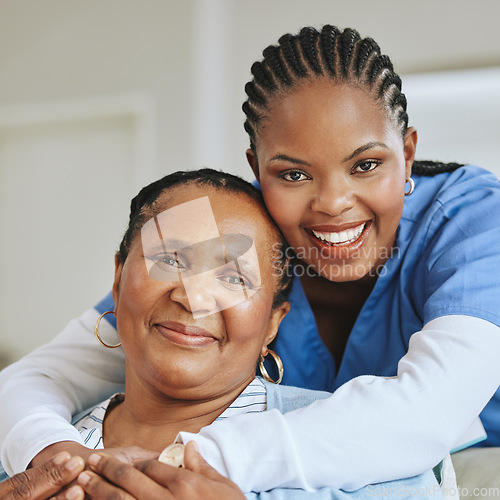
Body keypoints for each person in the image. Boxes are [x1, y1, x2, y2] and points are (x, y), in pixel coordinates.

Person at [1, 24, 499, 491]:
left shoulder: (472, 219)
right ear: (257, 170)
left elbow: (428, 414)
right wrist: (54, 455)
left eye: (366, 165)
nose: (332, 202)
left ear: (408, 155)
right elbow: (40, 376)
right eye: (294, 174)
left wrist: (187, 461)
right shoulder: (238, 249)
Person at [2, 169, 444, 499]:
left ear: (273, 321)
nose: (194, 299)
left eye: (234, 279)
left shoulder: (373, 457)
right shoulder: (24, 451)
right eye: (171, 259)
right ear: (118, 280)